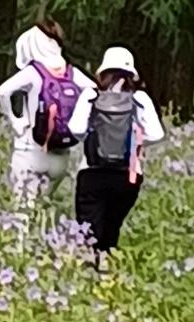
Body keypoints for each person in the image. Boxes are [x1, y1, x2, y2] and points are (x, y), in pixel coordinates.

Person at [70, 44, 164, 259]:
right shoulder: (139, 98)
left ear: (102, 71)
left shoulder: (90, 95)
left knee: (87, 229)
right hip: (127, 174)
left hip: (92, 171)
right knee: (111, 227)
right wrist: (135, 142)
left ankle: (88, 272)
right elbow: (157, 134)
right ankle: (106, 267)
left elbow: (76, 128)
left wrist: (93, 138)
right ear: (132, 73)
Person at [0, 22, 80, 219]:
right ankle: (43, 242)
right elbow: (94, 91)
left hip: (30, 150)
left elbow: (3, 91)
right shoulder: (71, 73)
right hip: (60, 154)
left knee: (22, 211)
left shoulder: (34, 72)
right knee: (42, 209)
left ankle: (20, 248)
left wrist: (15, 120)